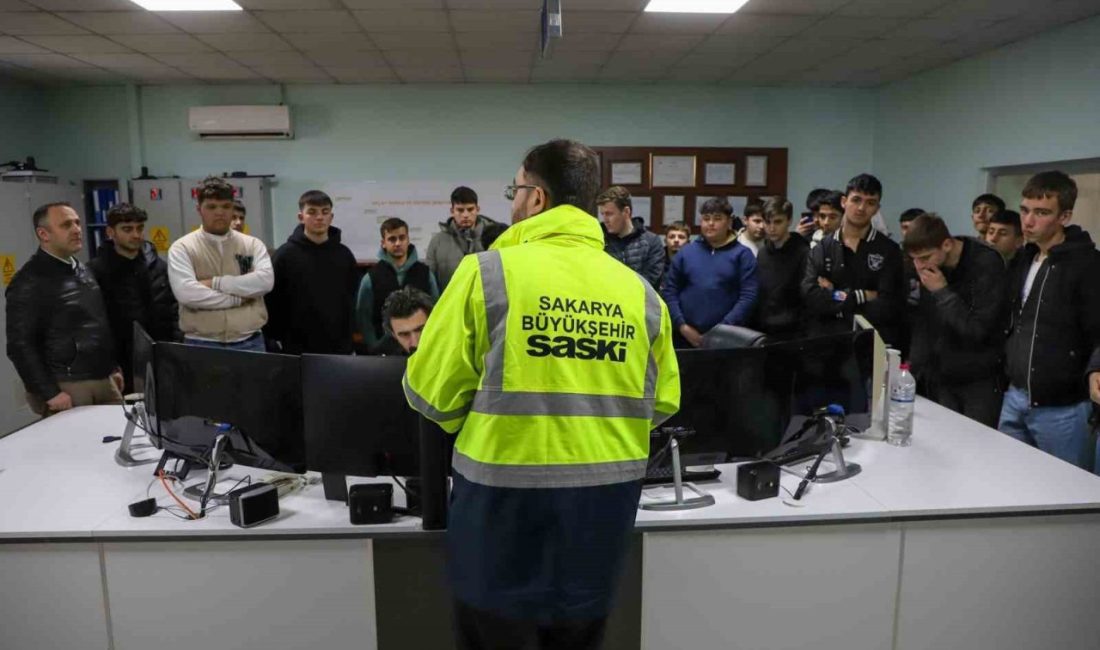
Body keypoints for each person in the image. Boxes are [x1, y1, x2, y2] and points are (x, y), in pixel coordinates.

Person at [403, 139, 679, 650]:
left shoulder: (484, 275)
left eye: (515, 189)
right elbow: (660, 404)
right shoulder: (640, 292)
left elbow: (432, 396)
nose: (511, 201)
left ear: (536, 198)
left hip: (500, 516)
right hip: (601, 519)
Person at [999, 171, 1100, 469]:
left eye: (1041, 213)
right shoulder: (1025, 257)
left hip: (1063, 408)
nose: (1028, 221)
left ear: (1064, 216)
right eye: (1025, 210)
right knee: (1007, 479)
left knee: (1066, 496)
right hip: (1015, 395)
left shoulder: (1088, 265)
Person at [6, 202, 122, 416]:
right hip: (67, 385)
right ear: (44, 234)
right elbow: (20, 345)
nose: (77, 229)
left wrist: (112, 367)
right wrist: (49, 392)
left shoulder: (81, 269)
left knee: (116, 441)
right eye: (66, 225)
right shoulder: (29, 281)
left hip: (102, 377)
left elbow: (97, 324)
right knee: (79, 447)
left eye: (77, 223)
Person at [902, 214, 1007, 428]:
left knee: (978, 447)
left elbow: (978, 330)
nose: (919, 265)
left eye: (925, 257)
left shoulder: (986, 263)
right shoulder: (929, 265)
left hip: (979, 378)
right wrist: (910, 372)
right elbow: (925, 322)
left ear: (947, 245)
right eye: (914, 258)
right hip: (941, 374)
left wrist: (942, 292)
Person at [167, 176, 273, 351]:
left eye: (225, 206)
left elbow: (265, 282)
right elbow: (187, 294)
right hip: (201, 343)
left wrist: (215, 283)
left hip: (250, 341)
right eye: (211, 207)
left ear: (232, 208)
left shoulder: (252, 245)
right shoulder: (183, 248)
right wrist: (237, 298)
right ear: (199, 209)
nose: (219, 212)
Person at [801, 174, 905, 345]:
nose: (861, 208)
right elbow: (811, 296)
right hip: (826, 341)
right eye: (856, 200)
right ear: (844, 202)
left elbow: (889, 305)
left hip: (870, 342)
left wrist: (834, 296)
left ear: (877, 208)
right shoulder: (822, 248)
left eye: (870, 203)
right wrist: (861, 295)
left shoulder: (889, 250)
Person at [87, 203, 179, 393]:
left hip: (161, 357)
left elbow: (174, 308)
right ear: (110, 232)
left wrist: (175, 345)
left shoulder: (158, 266)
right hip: (122, 362)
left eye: (139, 228)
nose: (136, 235)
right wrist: (109, 364)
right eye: (127, 229)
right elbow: (95, 324)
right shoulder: (96, 271)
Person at [264, 190, 358, 355]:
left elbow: (351, 300)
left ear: (331, 216)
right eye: (312, 212)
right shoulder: (284, 255)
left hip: (338, 348)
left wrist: (349, 339)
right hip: (295, 349)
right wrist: (275, 339)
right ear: (301, 217)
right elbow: (272, 301)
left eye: (325, 212)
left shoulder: (344, 255)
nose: (319, 217)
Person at [663, 197, 758, 348]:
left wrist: (723, 329)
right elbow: (670, 291)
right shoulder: (686, 253)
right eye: (706, 219)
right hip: (684, 337)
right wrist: (681, 325)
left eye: (717, 218)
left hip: (728, 339)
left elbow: (748, 296)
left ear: (729, 222)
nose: (711, 223)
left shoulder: (743, 255)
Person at [356, 217, 439, 352]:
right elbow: (364, 317)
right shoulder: (371, 277)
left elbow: (436, 311)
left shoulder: (425, 273)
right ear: (383, 243)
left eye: (402, 238)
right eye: (392, 239)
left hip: (423, 347)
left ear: (408, 239)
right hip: (384, 351)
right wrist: (374, 346)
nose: (398, 243)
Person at [425, 186, 499, 291]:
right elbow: (429, 281)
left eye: (470, 209)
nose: (465, 215)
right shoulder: (437, 242)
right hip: (449, 305)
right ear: (452, 211)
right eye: (460, 210)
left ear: (477, 209)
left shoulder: (494, 237)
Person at [756, 197, 809, 338]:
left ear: (789, 221)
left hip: (793, 331)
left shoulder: (803, 252)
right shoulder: (762, 253)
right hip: (764, 329)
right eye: (768, 222)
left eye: (778, 222)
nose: (772, 228)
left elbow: (806, 297)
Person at [596, 186, 665, 288]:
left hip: (640, 301)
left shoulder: (651, 241)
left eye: (609, 214)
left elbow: (651, 282)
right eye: (603, 214)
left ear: (626, 212)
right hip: (608, 301)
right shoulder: (600, 240)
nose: (605, 219)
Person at [371, 286, 435, 356]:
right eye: (405, 334)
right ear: (393, 335)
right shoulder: (382, 356)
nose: (415, 343)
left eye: (421, 330)